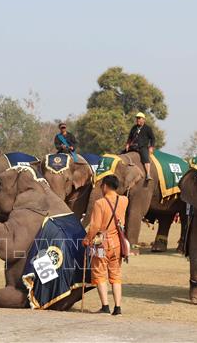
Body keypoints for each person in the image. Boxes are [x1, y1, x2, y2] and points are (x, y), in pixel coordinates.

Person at [82, 175, 128, 315]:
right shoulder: (124, 200)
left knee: (99, 273)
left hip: (101, 244)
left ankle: (105, 307)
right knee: (115, 275)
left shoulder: (100, 203)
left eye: (102, 186)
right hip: (117, 245)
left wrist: (87, 239)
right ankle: (118, 308)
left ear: (106, 186)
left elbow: (95, 226)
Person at [124, 112, 156, 181]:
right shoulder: (134, 128)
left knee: (145, 158)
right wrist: (127, 144)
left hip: (142, 147)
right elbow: (130, 138)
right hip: (133, 147)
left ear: (143, 119)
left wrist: (151, 147)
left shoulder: (147, 128)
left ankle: (148, 174)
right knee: (121, 154)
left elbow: (152, 138)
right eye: (137, 118)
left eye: (139, 118)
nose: (137, 120)